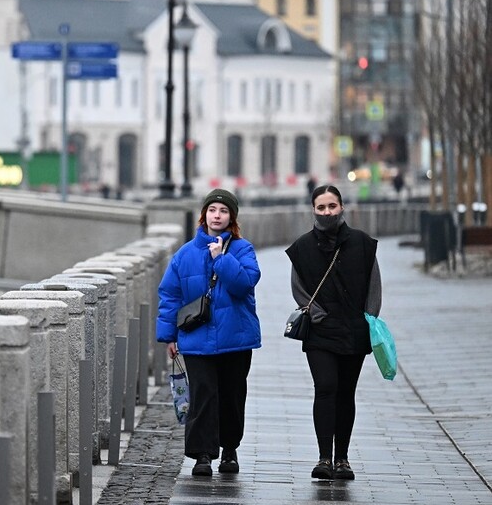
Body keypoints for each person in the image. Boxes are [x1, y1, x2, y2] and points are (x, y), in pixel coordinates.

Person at [157, 189, 262, 477]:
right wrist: (168, 336)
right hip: (196, 337)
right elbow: (170, 295)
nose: (217, 215)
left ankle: (229, 450)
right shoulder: (185, 254)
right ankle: (202, 454)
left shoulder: (242, 250)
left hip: (236, 338)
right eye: (213, 210)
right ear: (204, 215)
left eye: (224, 211)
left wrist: (220, 259)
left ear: (232, 218)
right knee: (202, 395)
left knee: (231, 395)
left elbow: (245, 284)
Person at [285, 184, 382, 481]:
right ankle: (324, 457)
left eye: (332, 206)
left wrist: (369, 318)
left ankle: (343, 459)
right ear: (313, 210)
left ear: (342, 207)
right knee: (325, 387)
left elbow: (373, 286)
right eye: (321, 207)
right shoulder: (302, 248)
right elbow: (299, 288)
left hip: (354, 330)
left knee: (345, 393)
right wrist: (316, 315)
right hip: (320, 330)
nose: (327, 212)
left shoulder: (363, 244)